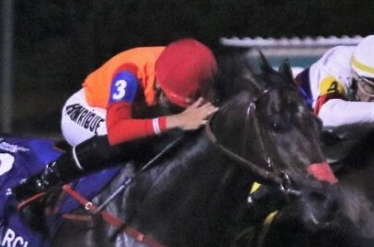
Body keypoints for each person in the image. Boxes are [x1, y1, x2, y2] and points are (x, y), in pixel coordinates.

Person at [11, 38, 219, 213]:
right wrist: (178, 120)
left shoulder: (191, 70)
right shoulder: (129, 73)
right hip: (86, 110)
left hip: (129, 116)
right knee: (127, 142)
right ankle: (39, 185)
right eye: (172, 100)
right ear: (159, 83)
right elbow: (117, 132)